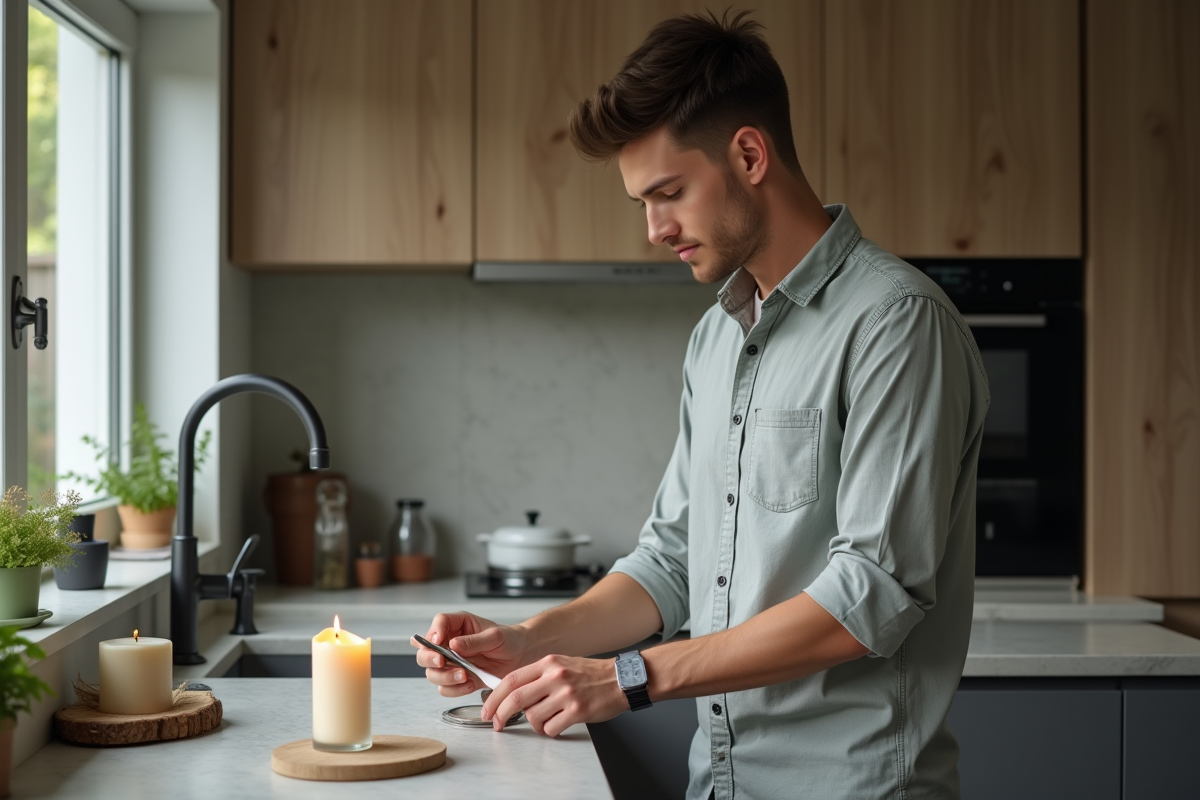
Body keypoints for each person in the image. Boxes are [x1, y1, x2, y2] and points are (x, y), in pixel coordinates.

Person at [414, 10, 989, 799]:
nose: (654, 229)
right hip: (719, 784)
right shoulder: (716, 340)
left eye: (669, 193)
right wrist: (525, 640)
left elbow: (871, 594)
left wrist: (630, 675)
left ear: (749, 154)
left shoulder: (896, 324)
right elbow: (672, 562)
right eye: (641, 203)